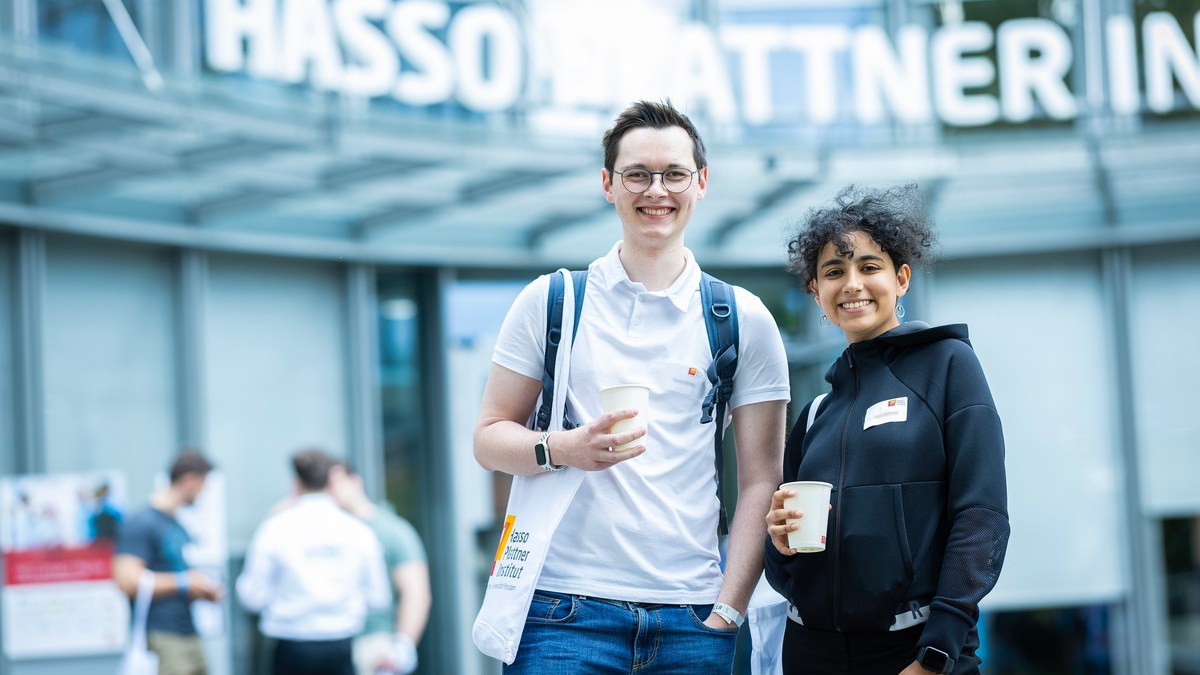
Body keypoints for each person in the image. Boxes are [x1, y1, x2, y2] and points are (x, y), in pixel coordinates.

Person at [473, 99, 791, 674]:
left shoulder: (743, 318)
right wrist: (562, 448)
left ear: (701, 183)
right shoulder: (553, 301)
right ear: (608, 184)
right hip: (560, 613)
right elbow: (488, 438)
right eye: (637, 175)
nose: (656, 191)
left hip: (691, 619)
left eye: (673, 174)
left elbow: (761, 479)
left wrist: (729, 610)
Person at [763, 184, 1010, 675]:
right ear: (816, 291)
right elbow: (784, 569)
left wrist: (938, 649)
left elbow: (982, 515)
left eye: (869, 267)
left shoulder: (948, 366)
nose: (852, 283)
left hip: (916, 651)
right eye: (834, 272)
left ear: (901, 279)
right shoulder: (815, 413)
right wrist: (777, 541)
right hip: (812, 653)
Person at [236, 448, 391, 675]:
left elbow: (251, 596)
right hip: (340, 645)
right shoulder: (358, 531)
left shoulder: (274, 528)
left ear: (296, 483)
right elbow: (378, 598)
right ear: (331, 481)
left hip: (290, 646)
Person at [113, 449, 223, 675]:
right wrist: (186, 583)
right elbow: (127, 580)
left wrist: (201, 588)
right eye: (203, 484)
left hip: (189, 631)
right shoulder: (142, 522)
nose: (203, 493)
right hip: (162, 635)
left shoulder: (176, 524)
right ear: (190, 480)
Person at [328, 462, 431, 675]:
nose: (330, 491)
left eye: (334, 483)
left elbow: (416, 593)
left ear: (354, 481)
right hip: (327, 641)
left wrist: (402, 646)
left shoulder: (392, 530)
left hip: (373, 644)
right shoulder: (323, 533)